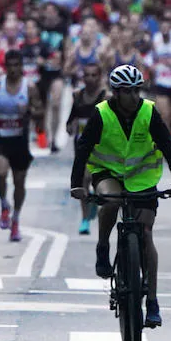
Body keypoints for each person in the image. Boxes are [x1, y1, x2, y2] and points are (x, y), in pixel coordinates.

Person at [70, 64, 171, 330]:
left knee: (146, 233)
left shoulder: (148, 111)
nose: (133, 97)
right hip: (107, 172)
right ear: (116, 93)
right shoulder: (101, 114)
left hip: (142, 177)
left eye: (137, 90)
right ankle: (103, 246)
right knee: (110, 201)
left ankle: (154, 302)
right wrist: (77, 184)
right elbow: (83, 148)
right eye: (127, 92)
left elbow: (168, 145)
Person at [0, 49, 42, 242]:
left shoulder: (30, 87)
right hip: (0, 139)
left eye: (16, 65)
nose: (13, 69)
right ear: (5, 67)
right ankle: (4, 205)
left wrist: (29, 110)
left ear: (21, 67)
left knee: (19, 182)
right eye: (9, 65)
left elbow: (39, 111)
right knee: (1, 172)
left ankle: (16, 219)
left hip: (19, 140)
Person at [65, 62, 107, 235]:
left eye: (93, 75)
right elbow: (71, 118)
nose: (90, 79)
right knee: (83, 181)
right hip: (81, 145)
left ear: (100, 77)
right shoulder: (78, 95)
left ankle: (95, 206)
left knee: (95, 180)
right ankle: (84, 218)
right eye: (87, 75)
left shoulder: (106, 97)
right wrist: (70, 126)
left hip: (100, 147)